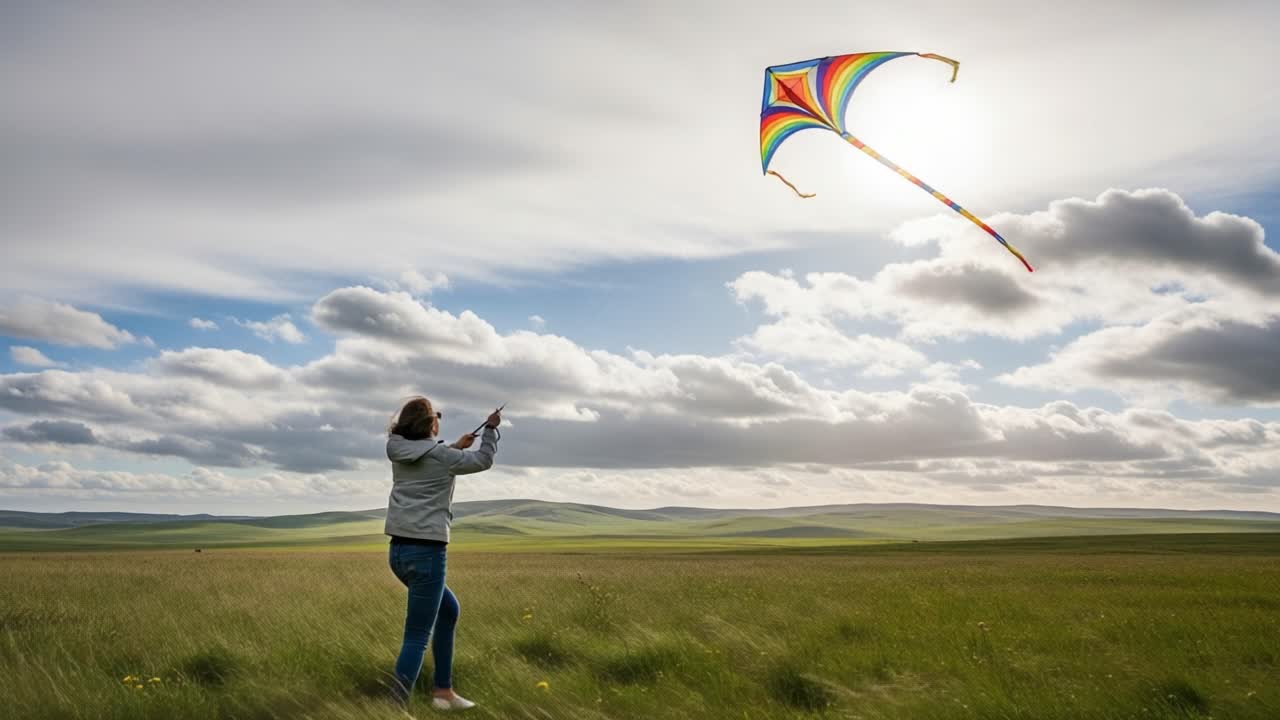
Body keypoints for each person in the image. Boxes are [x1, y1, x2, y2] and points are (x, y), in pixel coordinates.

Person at [384, 396, 501, 712]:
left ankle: (443, 692)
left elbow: (430, 458)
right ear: (430, 424)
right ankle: (396, 709)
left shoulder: (397, 449)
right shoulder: (442, 455)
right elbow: (484, 461)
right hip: (427, 552)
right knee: (417, 636)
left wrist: (456, 448)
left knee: (448, 611)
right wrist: (490, 430)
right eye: (436, 417)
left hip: (398, 551)